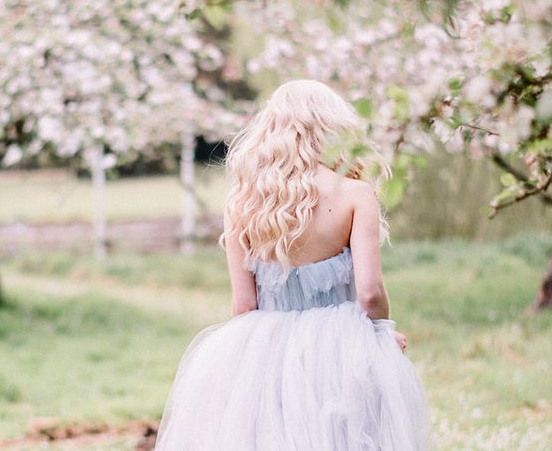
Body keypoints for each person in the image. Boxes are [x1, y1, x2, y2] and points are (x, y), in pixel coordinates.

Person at [154, 79, 431, 450]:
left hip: (266, 348)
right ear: (333, 130)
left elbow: (244, 305)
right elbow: (369, 293)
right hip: (341, 348)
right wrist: (379, 336)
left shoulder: (242, 203)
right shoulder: (353, 194)